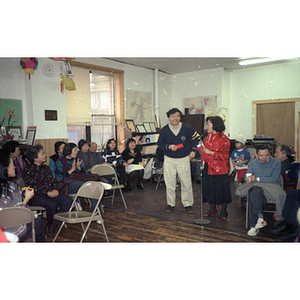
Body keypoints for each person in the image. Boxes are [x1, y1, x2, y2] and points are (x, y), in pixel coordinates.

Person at [235, 145, 286, 236]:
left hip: (271, 191)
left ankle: (254, 226)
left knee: (253, 194)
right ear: (256, 154)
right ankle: (258, 220)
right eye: (261, 155)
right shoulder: (253, 163)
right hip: (259, 192)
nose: (264, 158)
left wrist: (257, 179)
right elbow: (248, 174)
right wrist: (248, 178)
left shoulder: (276, 162)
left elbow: (274, 179)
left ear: (270, 154)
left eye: (266, 155)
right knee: (254, 191)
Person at [22, 144, 72, 237]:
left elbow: (53, 181)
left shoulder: (45, 168)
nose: (44, 155)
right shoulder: (28, 170)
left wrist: (55, 190)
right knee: (51, 205)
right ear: (35, 158)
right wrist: (47, 192)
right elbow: (32, 186)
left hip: (50, 193)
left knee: (68, 201)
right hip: (36, 196)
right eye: (42, 154)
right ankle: (53, 224)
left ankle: (53, 223)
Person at [157, 108, 200, 214]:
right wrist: (168, 146)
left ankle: (188, 204)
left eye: (177, 116)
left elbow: (197, 138)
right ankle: (170, 204)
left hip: (183, 158)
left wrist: (194, 151)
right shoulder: (165, 130)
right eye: (172, 116)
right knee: (170, 183)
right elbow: (160, 144)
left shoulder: (187, 128)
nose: (174, 118)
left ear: (180, 117)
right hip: (169, 159)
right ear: (169, 118)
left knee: (186, 182)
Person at [0, 150, 45, 242]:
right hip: (12, 232)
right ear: (5, 168)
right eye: (12, 165)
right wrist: (27, 198)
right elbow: (17, 215)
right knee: (38, 222)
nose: (15, 168)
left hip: (1, 231)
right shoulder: (12, 187)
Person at [200, 116, 231, 220]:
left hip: (220, 169)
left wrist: (211, 152)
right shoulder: (208, 136)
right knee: (210, 189)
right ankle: (212, 208)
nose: (207, 126)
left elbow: (225, 155)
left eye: (209, 124)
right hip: (209, 166)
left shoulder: (223, 138)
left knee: (221, 191)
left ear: (215, 125)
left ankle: (223, 212)